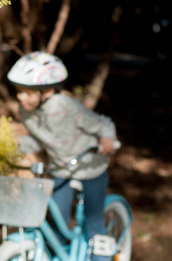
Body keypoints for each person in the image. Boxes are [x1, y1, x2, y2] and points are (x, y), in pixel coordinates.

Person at [7, 51, 117, 261]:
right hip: (61, 168)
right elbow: (44, 140)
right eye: (19, 91)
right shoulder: (26, 110)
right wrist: (11, 146)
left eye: (28, 93)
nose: (20, 97)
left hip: (89, 166)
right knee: (57, 224)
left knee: (94, 226)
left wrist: (107, 139)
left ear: (47, 91)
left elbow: (101, 123)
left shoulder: (66, 107)